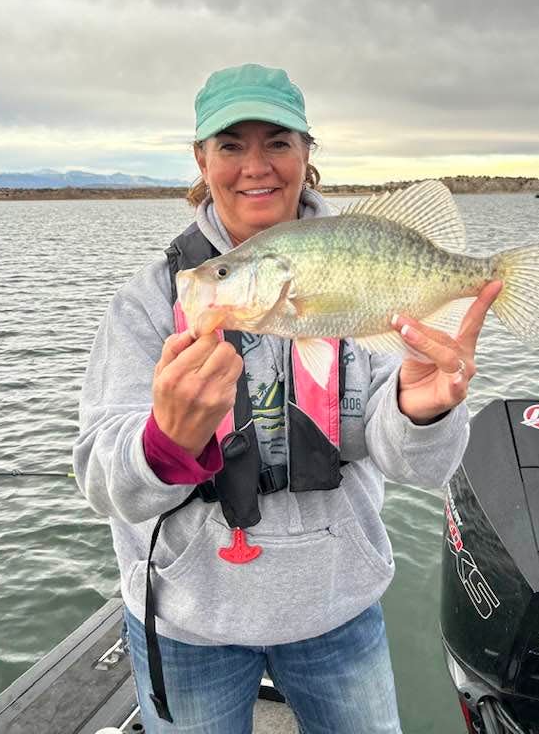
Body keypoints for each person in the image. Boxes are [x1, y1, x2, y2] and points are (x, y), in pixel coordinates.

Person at [73, 63, 501, 734]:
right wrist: (164, 443)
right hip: (191, 621)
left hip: (337, 609)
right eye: (231, 145)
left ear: (307, 153)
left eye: (277, 141)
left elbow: (421, 466)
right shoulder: (150, 302)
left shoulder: (362, 281)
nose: (256, 166)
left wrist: (426, 409)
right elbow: (107, 487)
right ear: (201, 159)